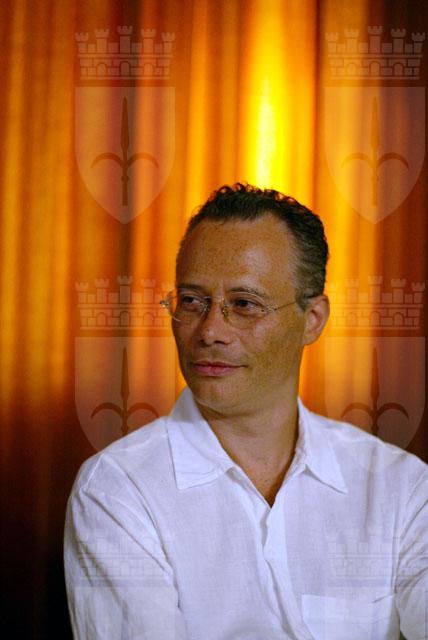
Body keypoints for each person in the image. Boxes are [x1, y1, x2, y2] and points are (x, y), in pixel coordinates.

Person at [64, 183, 427, 640]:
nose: (210, 331)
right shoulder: (118, 489)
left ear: (313, 319)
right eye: (192, 301)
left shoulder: (399, 487)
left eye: (244, 305)